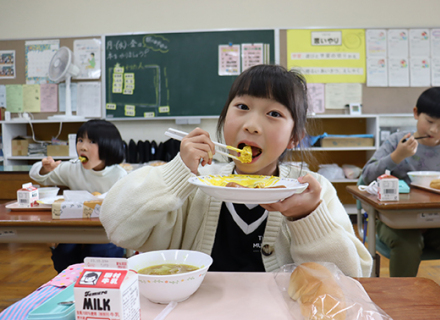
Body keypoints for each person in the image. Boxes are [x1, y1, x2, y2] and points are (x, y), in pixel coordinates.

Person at [100, 64, 372, 277]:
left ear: (294, 138)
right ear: (224, 116)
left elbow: (351, 276)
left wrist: (307, 216)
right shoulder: (196, 184)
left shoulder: (312, 190)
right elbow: (116, 226)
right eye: (242, 107)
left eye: (274, 114)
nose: (252, 125)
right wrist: (177, 172)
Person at [361, 87, 440, 318]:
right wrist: (397, 156)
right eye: (430, 121)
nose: (434, 130)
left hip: (439, 224)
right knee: (407, 247)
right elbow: (366, 176)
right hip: (396, 223)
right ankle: (398, 304)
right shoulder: (397, 141)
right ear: (416, 113)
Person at [30, 119, 128, 273]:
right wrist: (45, 168)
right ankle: (71, 287)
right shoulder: (73, 167)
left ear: (108, 145)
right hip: (76, 229)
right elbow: (39, 176)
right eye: (80, 140)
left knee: (101, 253)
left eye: (92, 141)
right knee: (64, 255)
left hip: (106, 231)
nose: (82, 147)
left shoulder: (119, 175)